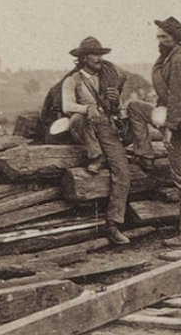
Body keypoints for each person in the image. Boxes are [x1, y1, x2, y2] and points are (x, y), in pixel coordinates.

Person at [127, 17, 181, 247]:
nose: (159, 40)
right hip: (167, 113)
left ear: (175, 37)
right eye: (158, 36)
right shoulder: (168, 56)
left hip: (178, 121)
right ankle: (145, 153)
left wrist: (169, 128)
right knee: (134, 107)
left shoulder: (179, 58)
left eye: (164, 37)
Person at [62, 36, 131, 245]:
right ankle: (96, 155)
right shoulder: (72, 80)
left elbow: (116, 110)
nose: (99, 58)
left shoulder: (108, 77)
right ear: (83, 58)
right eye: (94, 54)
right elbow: (67, 106)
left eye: (101, 54)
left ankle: (113, 223)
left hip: (106, 126)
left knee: (123, 171)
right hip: (86, 127)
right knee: (76, 118)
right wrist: (87, 108)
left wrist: (115, 101)